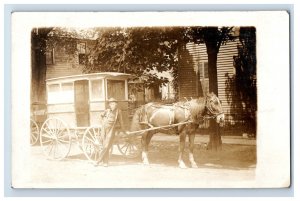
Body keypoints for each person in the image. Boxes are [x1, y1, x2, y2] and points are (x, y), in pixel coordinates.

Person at [96, 97, 126, 167]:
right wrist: (102, 122)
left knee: (106, 146)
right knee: (104, 146)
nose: (112, 105)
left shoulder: (118, 111)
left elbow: (121, 121)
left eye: (114, 104)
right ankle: (105, 162)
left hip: (111, 130)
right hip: (104, 129)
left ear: (116, 104)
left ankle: (98, 161)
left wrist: (124, 130)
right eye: (111, 104)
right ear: (109, 104)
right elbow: (101, 116)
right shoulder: (107, 111)